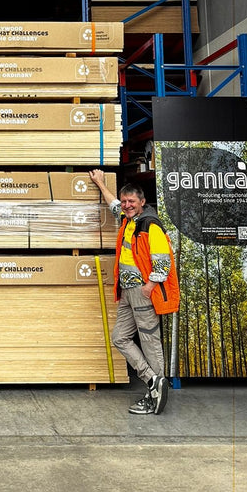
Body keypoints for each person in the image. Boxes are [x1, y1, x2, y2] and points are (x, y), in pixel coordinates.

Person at [89, 169, 179, 415]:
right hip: (127, 292)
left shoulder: (150, 225)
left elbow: (163, 262)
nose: (127, 205)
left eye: (131, 201)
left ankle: (155, 394)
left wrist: (149, 287)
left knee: (150, 341)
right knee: (120, 337)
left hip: (142, 291)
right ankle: (153, 380)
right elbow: (114, 205)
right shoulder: (128, 220)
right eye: (125, 201)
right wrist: (100, 183)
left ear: (142, 202)